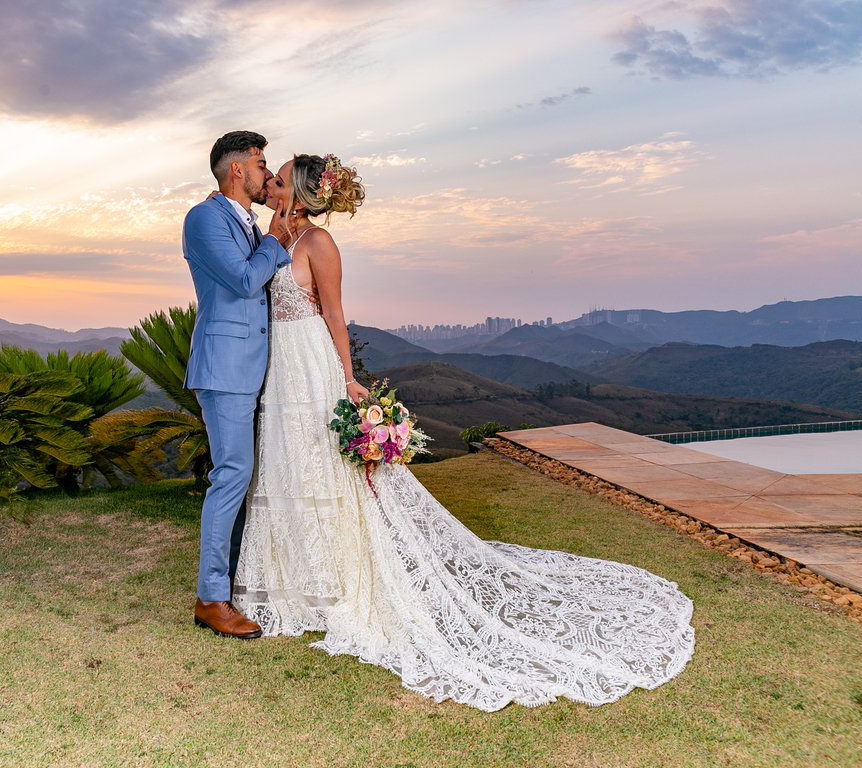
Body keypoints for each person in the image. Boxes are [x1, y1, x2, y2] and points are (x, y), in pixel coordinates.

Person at [230, 153, 696, 710]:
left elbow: (334, 314)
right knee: (286, 465)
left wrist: (349, 379)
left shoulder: (318, 243)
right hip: (279, 368)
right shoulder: (271, 238)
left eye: (280, 179)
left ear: (300, 193)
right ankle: (295, 583)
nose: (271, 183)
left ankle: (337, 582)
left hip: (310, 364)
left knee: (322, 466)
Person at [181, 130, 291, 639]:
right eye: (261, 164)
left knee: (243, 476)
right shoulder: (204, 218)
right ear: (237, 170)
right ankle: (211, 599)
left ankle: (232, 580)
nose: (267, 173)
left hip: (253, 366)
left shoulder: (241, 221)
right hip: (224, 369)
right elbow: (245, 281)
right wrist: (275, 240)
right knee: (231, 476)